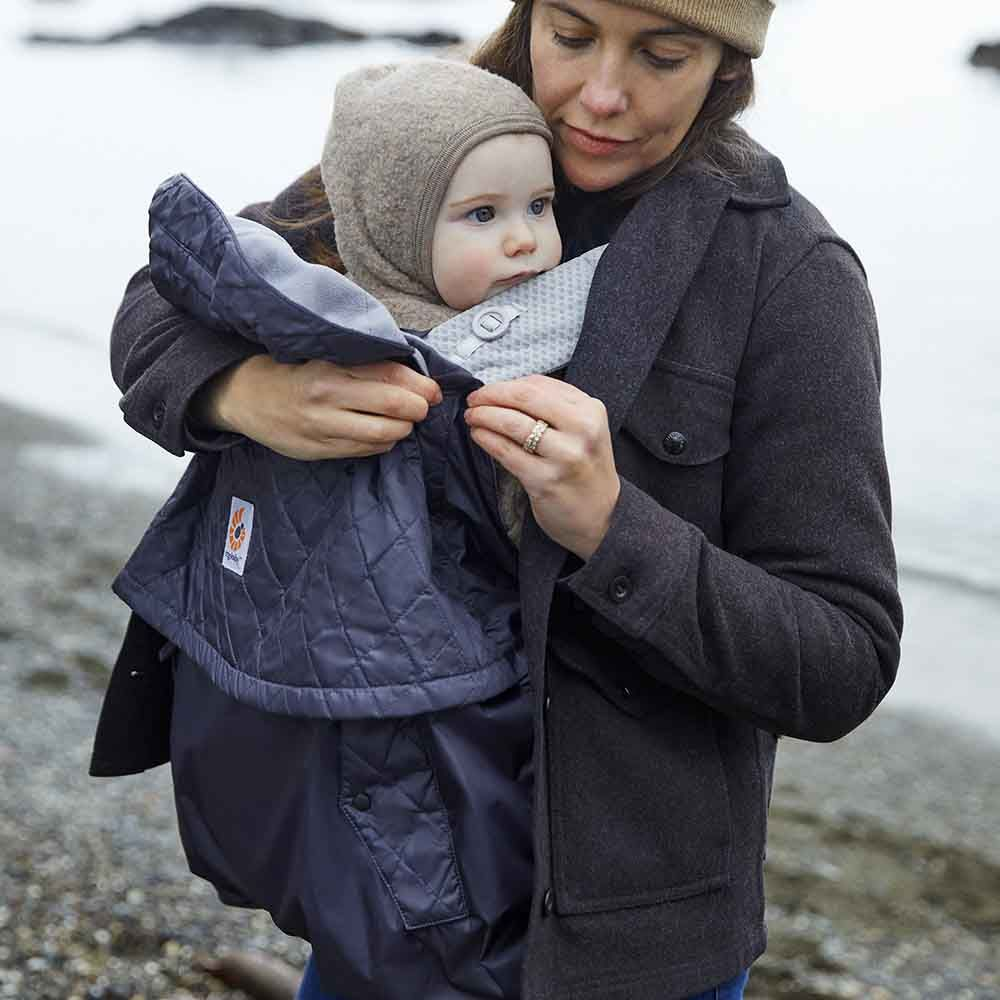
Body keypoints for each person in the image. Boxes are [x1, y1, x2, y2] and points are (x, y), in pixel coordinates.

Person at [94, 2, 904, 999]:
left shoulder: (788, 275)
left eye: (662, 53)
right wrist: (242, 392)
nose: (600, 95)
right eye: (569, 34)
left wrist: (615, 531)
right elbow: (166, 296)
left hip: (633, 942)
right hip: (378, 878)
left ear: (728, 65)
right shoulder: (433, 143)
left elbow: (843, 656)